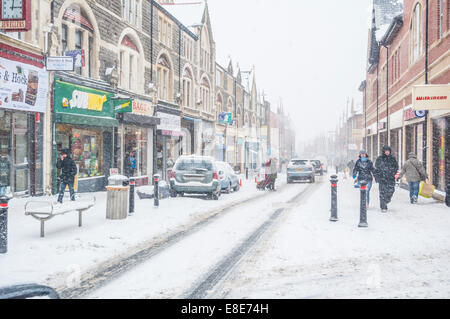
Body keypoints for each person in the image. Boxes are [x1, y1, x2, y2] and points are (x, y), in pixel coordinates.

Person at [374, 146, 399, 212]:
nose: (387, 152)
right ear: (384, 151)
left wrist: (393, 172)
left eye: (388, 151)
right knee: (382, 193)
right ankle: (383, 207)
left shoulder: (392, 159)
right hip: (382, 178)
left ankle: (387, 200)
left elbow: (396, 167)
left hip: (390, 178)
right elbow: (376, 169)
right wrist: (377, 177)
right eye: (386, 151)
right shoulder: (379, 159)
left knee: (391, 191)